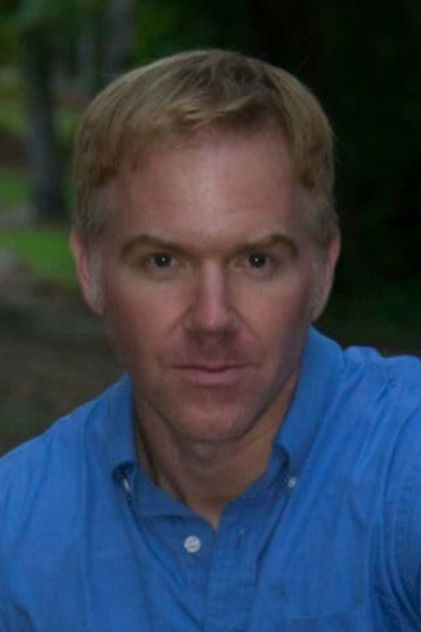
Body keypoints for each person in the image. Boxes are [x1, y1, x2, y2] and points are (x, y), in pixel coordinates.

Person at [0, 49, 420, 631]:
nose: (212, 319)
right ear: (90, 271)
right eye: (163, 261)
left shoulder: (405, 462)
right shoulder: (16, 529)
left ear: (323, 272)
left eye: (257, 260)